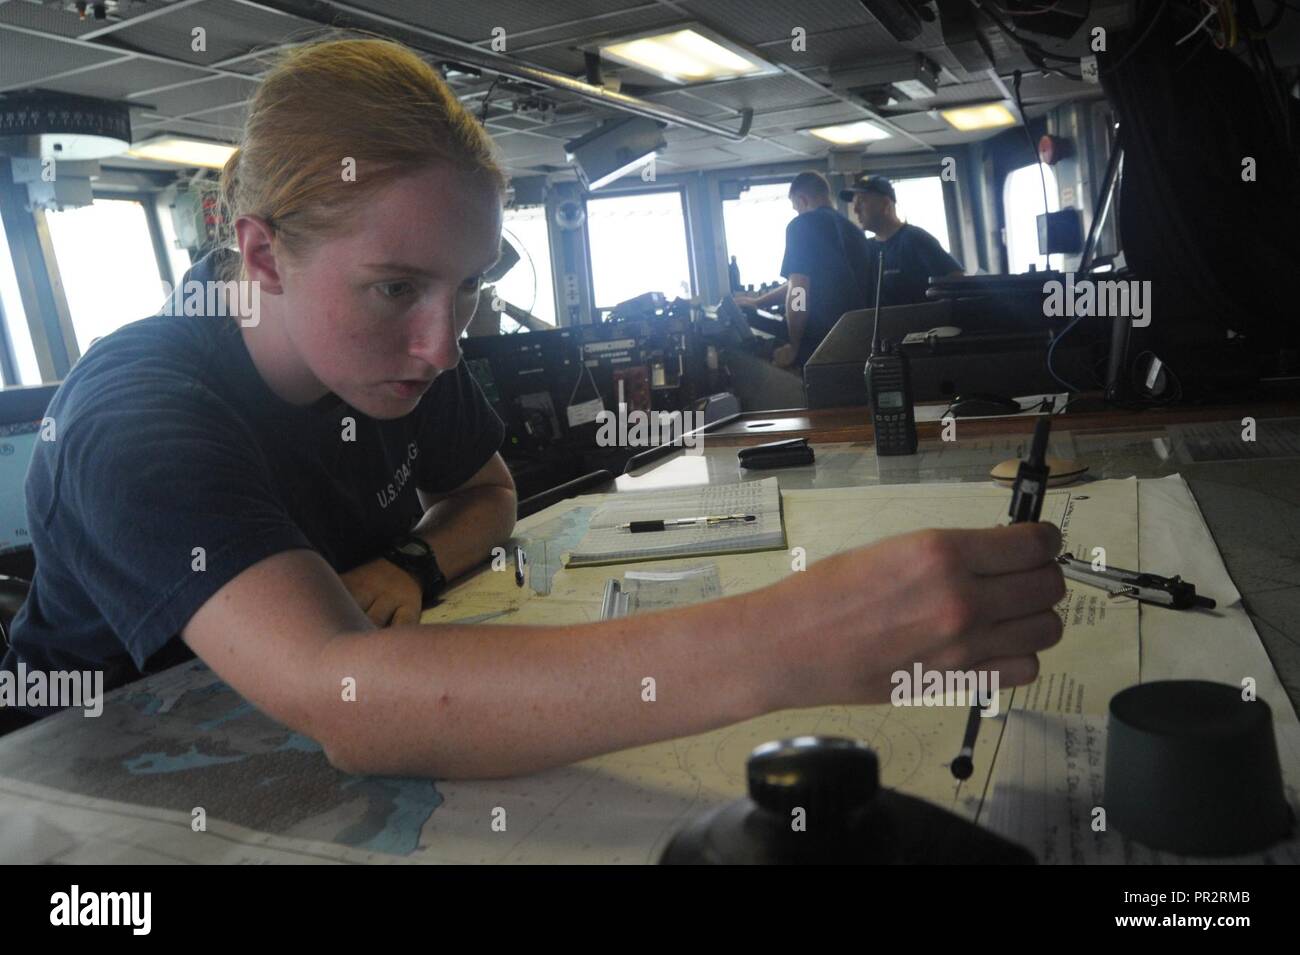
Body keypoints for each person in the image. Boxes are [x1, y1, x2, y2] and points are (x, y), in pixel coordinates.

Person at [0, 38, 1065, 778]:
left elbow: (487, 487)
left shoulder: (394, 354)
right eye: (397, 286)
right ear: (263, 254)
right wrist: (797, 636)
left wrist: (410, 564)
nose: (442, 339)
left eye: (466, 289)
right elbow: (350, 701)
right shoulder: (136, 416)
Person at [734, 171, 873, 369]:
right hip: (858, 340)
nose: (797, 213)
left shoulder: (802, 225)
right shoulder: (854, 232)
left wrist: (794, 344)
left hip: (822, 344)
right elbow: (801, 282)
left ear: (802, 200)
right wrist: (759, 302)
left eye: (796, 208)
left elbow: (799, 290)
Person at [840, 174, 964, 305]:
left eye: (862, 201)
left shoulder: (915, 239)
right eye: (854, 203)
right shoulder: (865, 248)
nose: (855, 210)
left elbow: (956, 280)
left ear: (885, 204)